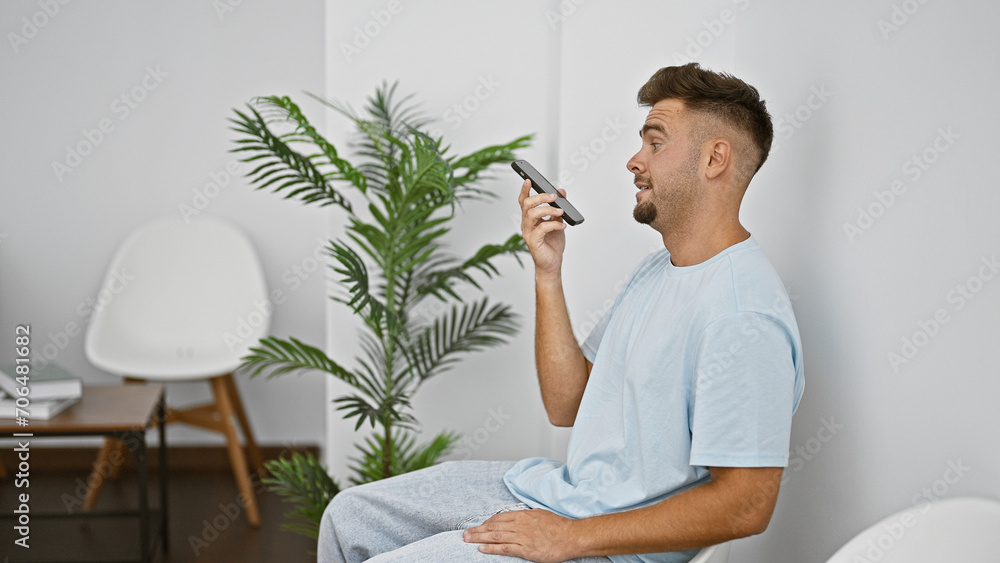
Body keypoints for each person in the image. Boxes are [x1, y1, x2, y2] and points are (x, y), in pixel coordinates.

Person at [317, 62, 804, 563]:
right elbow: (566, 405)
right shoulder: (658, 271)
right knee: (349, 516)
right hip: (564, 494)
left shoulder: (743, 315)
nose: (635, 161)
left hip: (609, 546)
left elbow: (745, 504)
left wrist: (573, 538)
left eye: (655, 143)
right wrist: (547, 271)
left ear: (714, 158)